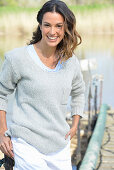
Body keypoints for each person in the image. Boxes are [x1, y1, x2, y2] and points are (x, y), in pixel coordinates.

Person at [0, 0, 85, 169]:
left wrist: (75, 124)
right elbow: (1, 94)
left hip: (60, 144)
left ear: (65, 27)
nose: (52, 32)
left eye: (58, 26)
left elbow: (79, 92)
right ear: (39, 26)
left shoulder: (71, 62)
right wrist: (3, 133)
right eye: (47, 25)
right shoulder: (17, 59)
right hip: (26, 141)